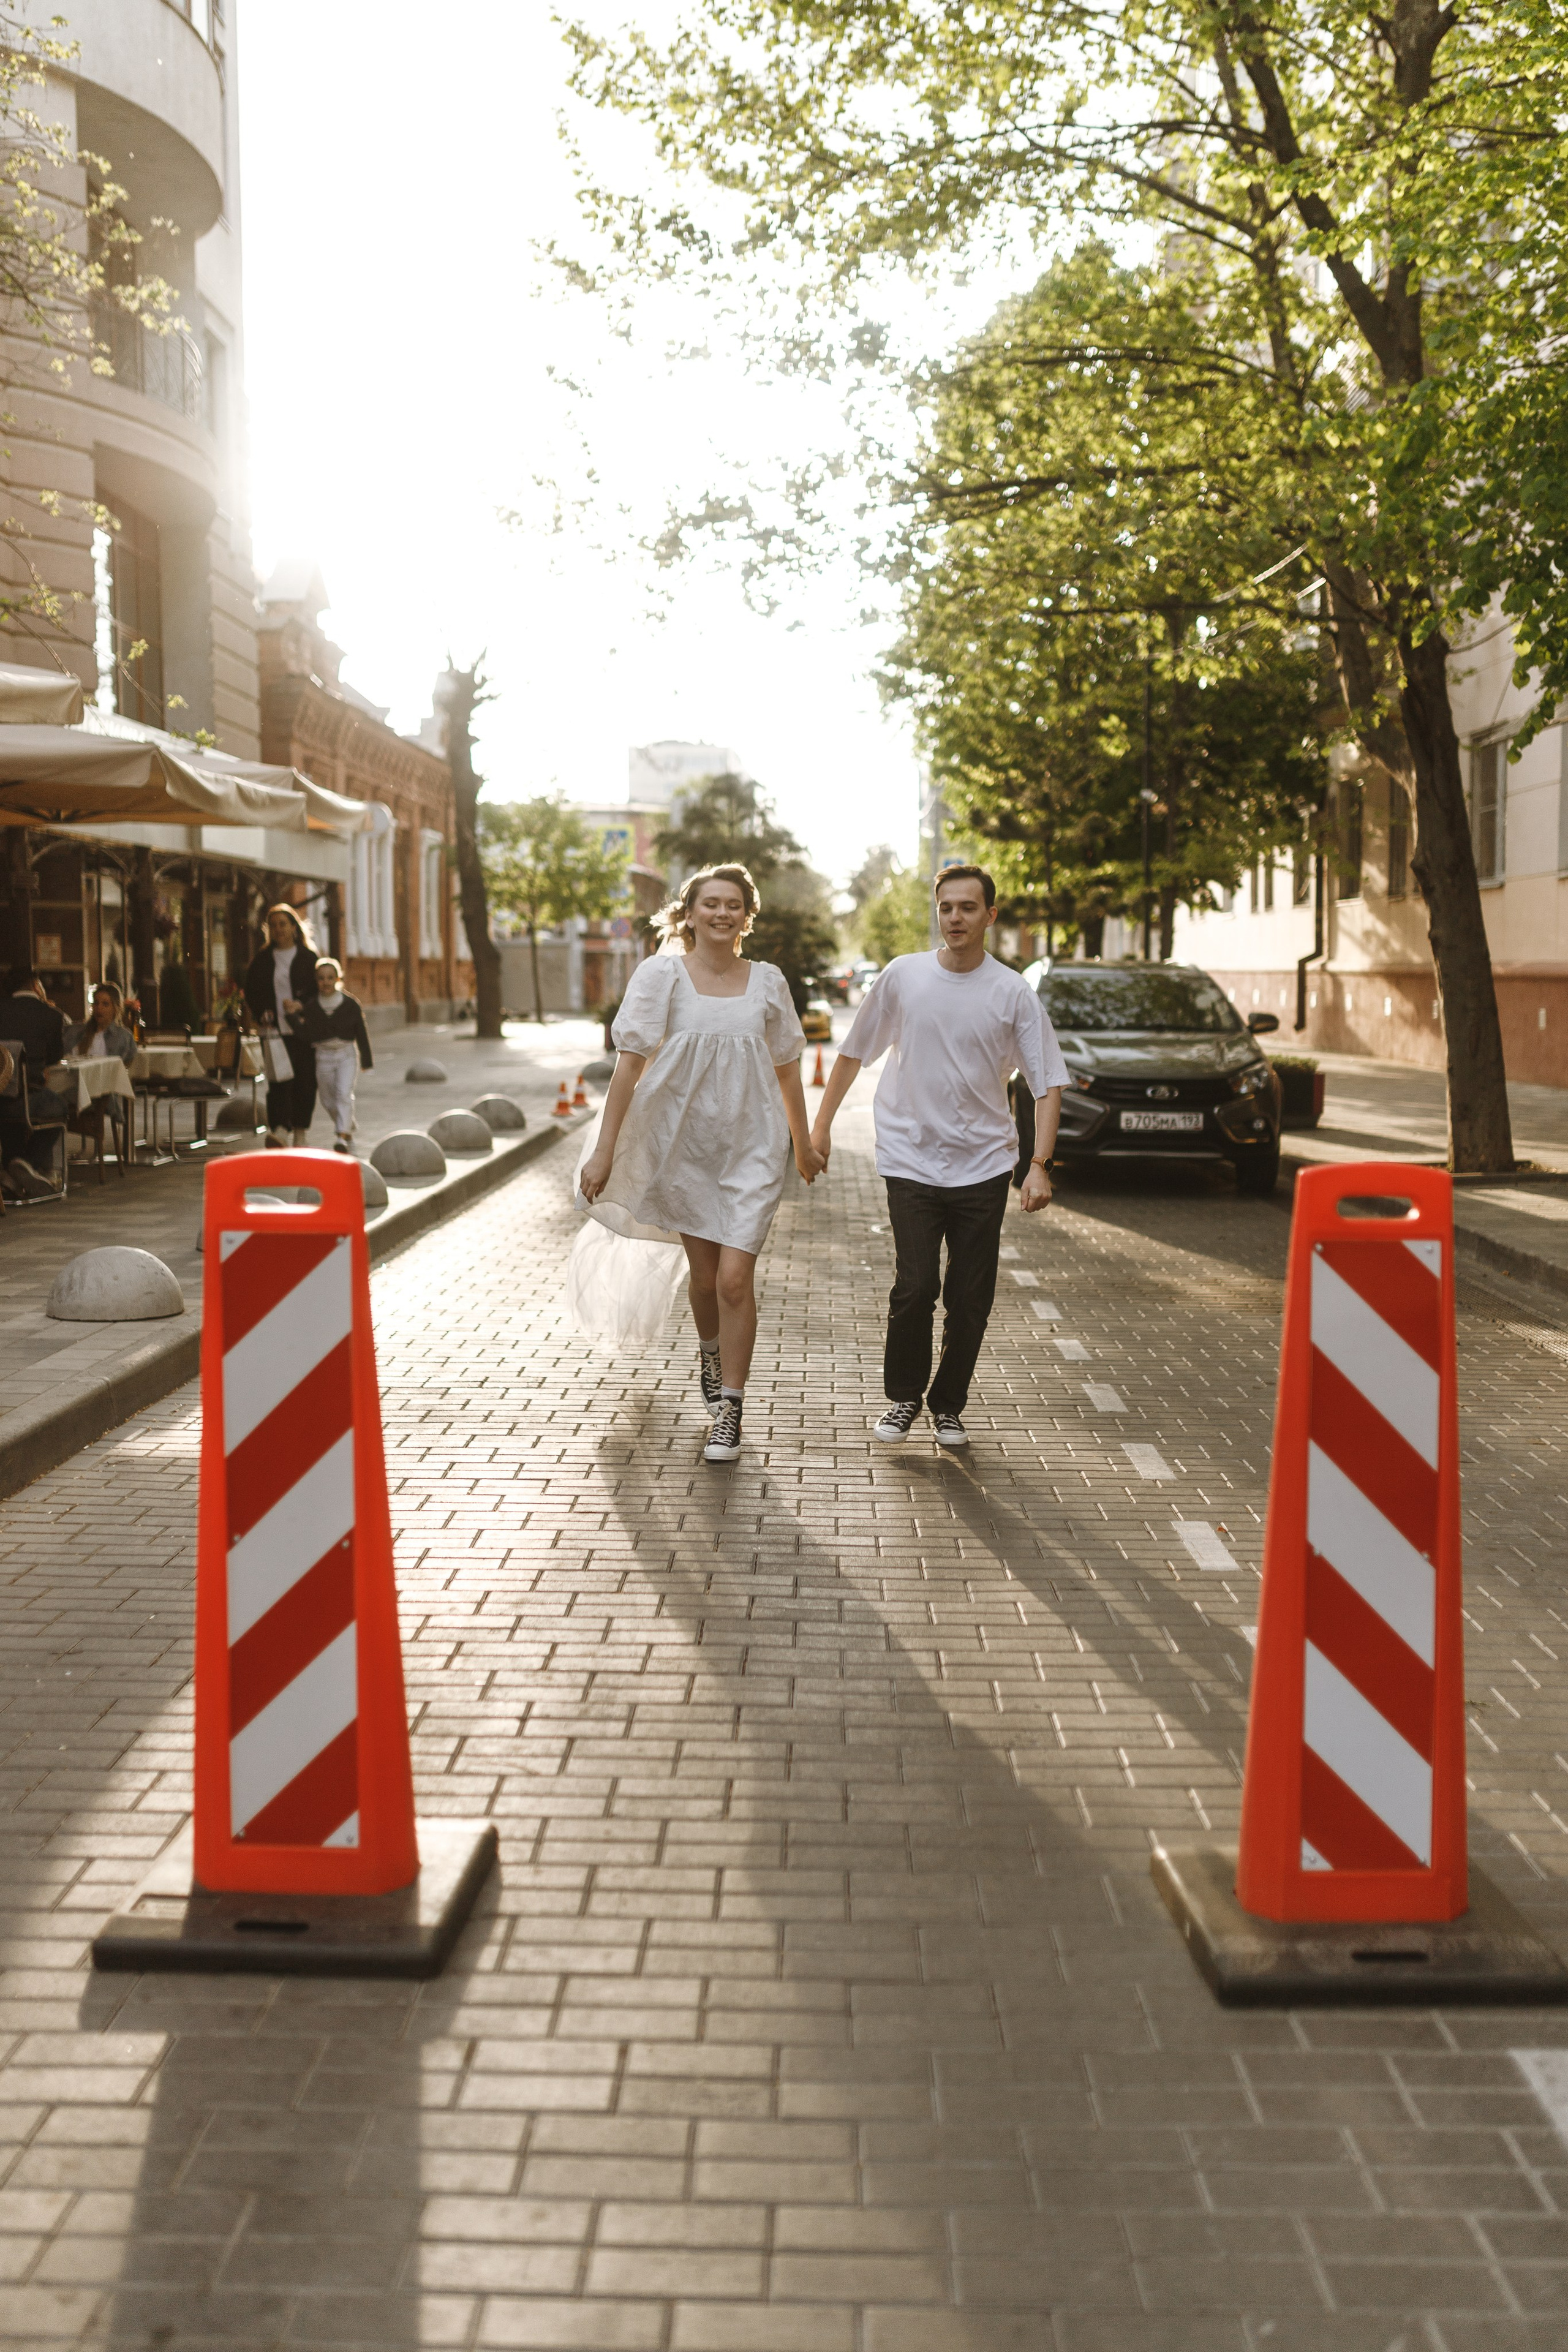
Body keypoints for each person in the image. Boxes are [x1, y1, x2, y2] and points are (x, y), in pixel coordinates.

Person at [810, 864, 1068, 1450]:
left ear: (990, 916)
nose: (955, 918)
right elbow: (853, 1054)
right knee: (916, 1285)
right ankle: (904, 1398)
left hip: (983, 1164)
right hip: (910, 1159)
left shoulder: (1012, 993)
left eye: (968, 908)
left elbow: (1046, 1083)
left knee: (970, 1298)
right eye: (946, 907)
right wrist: (820, 1128)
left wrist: (1039, 1164)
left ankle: (948, 1405)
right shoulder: (904, 977)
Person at [578, 863, 824, 1465]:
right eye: (710, 903)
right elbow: (629, 1068)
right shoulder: (662, 976)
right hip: (683, 1146)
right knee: (706, 1279)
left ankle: (730, 1409)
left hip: (753, 1147)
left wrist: (805, 1142)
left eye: (733, 904)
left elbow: (789, 1068)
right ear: (688, 914)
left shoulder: (767, 983)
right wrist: (605, 1149)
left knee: (736, 1279)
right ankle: (709, 1349)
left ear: (747, 915)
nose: (721, 913)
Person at [242, 903, 320, 1147]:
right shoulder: (262, 960)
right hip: (274, 1031)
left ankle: (300, 1131)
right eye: (273, 925)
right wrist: (261, 1011)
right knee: (278, 1082)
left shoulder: (309, 958)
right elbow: (251, 992)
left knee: (305, 1082)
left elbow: (320, 992)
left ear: (294, 927)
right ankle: (280, 1130)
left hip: (303, 1031)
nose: (279, 930)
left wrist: (301, 1005)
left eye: (283, 924)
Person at [0, 962, 67, 1197]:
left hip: (0, 1098)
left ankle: (8, 1173)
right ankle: (28, 1162)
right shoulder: (51, 1015)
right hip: (28, 1099)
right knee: (60, 1106)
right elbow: (56, 1057)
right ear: (34, 984)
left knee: (9, 1116)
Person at [294, 958, 372, 1151]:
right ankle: (348, 1125)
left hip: (346, 1054)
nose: (326, 982)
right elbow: (305, 1034)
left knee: (343, 1094)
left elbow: (361, 1033)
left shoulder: (351, 1004)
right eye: (321, 978)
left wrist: (367, 1060)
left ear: (338, 978)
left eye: (330, 978)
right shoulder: (312, 1007)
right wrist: (290, 1017)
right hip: (323, 1056)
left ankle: (342, 1138)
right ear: (316, 980)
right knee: (328, 1100)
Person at [64, 981, 136, 1168]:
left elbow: (123, 1067)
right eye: (96, 1003)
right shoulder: (77, 1032)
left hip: (102, 1094)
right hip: (73, 1087)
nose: (99, 1009)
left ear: (116, 1008)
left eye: (106, 1004)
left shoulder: (123, 1037)